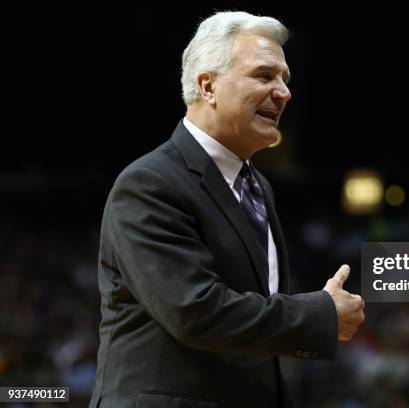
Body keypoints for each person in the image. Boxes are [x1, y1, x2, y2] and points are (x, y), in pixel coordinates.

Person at [89, 11, 365, 408]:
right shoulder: (149, 183)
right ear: (208, 86)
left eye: (285, 80)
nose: (283, 92)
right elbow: (196, 311)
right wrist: (319, 315)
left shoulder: (258, 186)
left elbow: (253, 327)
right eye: (264, 76)